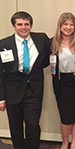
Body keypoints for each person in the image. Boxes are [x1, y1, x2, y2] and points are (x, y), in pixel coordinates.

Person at [0, 11, 50, 149]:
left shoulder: (41, 39)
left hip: (33, 90)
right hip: (12, 92)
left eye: (27, 24)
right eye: (20, 24)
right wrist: (1, 98)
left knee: (33, 125)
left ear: (31, 25)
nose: (24, 27)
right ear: (14, 26)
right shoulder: (3, 44)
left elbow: (56, 44)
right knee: (15, 126)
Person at [50, 12, 75, 149]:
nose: (68, 27)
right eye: (65, 24)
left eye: (71, 25)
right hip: (63, 84)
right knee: (66, 118)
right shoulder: (52, 43)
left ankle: (74, 144)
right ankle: (65, 143)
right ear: (60, 26)